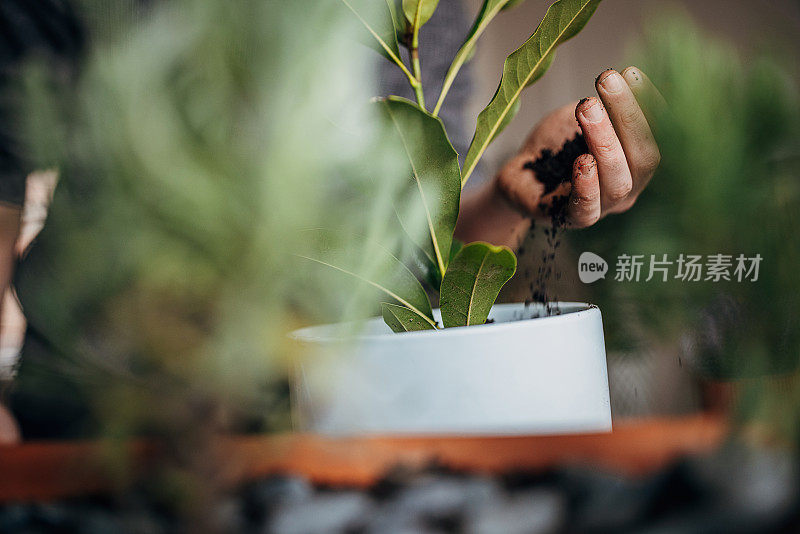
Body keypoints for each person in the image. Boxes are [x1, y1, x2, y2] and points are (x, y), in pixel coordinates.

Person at [0, 1, 661, 441]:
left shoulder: (424, 15)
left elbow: (420, 235)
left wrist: (515, 193)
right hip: (101, 414)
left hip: (342, 424)